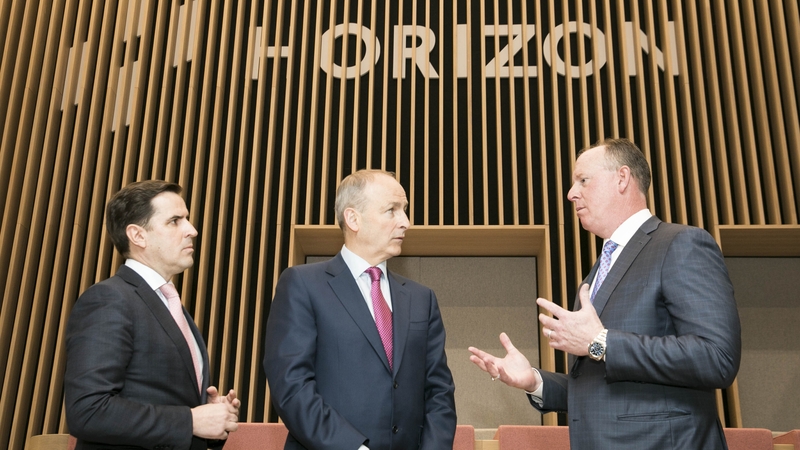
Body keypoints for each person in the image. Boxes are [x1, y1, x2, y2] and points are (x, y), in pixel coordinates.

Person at [469, 139, 741, 449]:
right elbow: (601, 389)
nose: (571, 193)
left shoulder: (682, 244)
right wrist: (535, 380)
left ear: (622, 179)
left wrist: (601, 342)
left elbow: (717, 357)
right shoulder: (597, 272)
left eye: (583, 180)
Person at [263, 169, 457, 450]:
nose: (406, 222)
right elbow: (292, 387)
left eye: (405, 210)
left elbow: (439, 392)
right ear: (353, 218)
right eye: (392, 210)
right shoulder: (303, 285)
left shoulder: (421, 299)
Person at [65, 180, 240, 450]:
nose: (192, 230)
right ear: (138, 235)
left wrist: (210, 417)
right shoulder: (109, 299)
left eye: (188, 220)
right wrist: (190, 420)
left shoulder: (169, 304)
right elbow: (88, 411)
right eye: (175, 221)